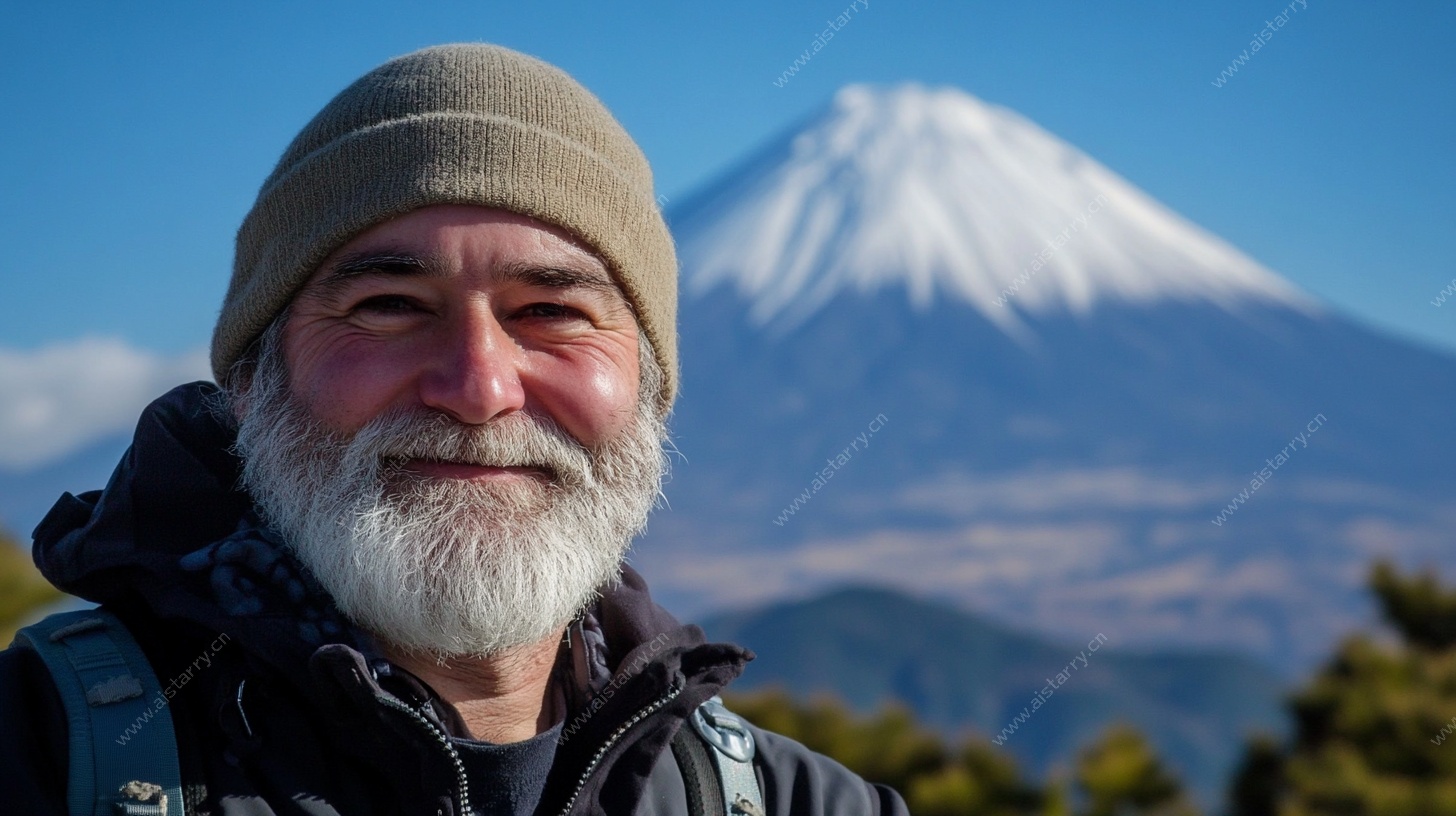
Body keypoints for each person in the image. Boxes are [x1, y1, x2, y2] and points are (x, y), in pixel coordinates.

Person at [0, 43, 907, 815]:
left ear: (649, 385)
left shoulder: (797, 801)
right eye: (390, 305)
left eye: (552, 311)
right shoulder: (38, 754)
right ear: (248, 381)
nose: (479, 388)